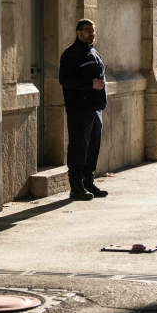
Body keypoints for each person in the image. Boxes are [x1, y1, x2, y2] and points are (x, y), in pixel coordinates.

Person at [59, 19, 109, 201]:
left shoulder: (93, 52)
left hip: (95, 109)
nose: (91, 34)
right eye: (88, 31)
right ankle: (76, 186)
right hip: (79, 109)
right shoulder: (70, 54)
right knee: (79, 147)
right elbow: (65, 80)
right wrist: (90, 84)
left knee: (92, 147)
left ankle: (88, 181)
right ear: (78, 32)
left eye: (93, 30)